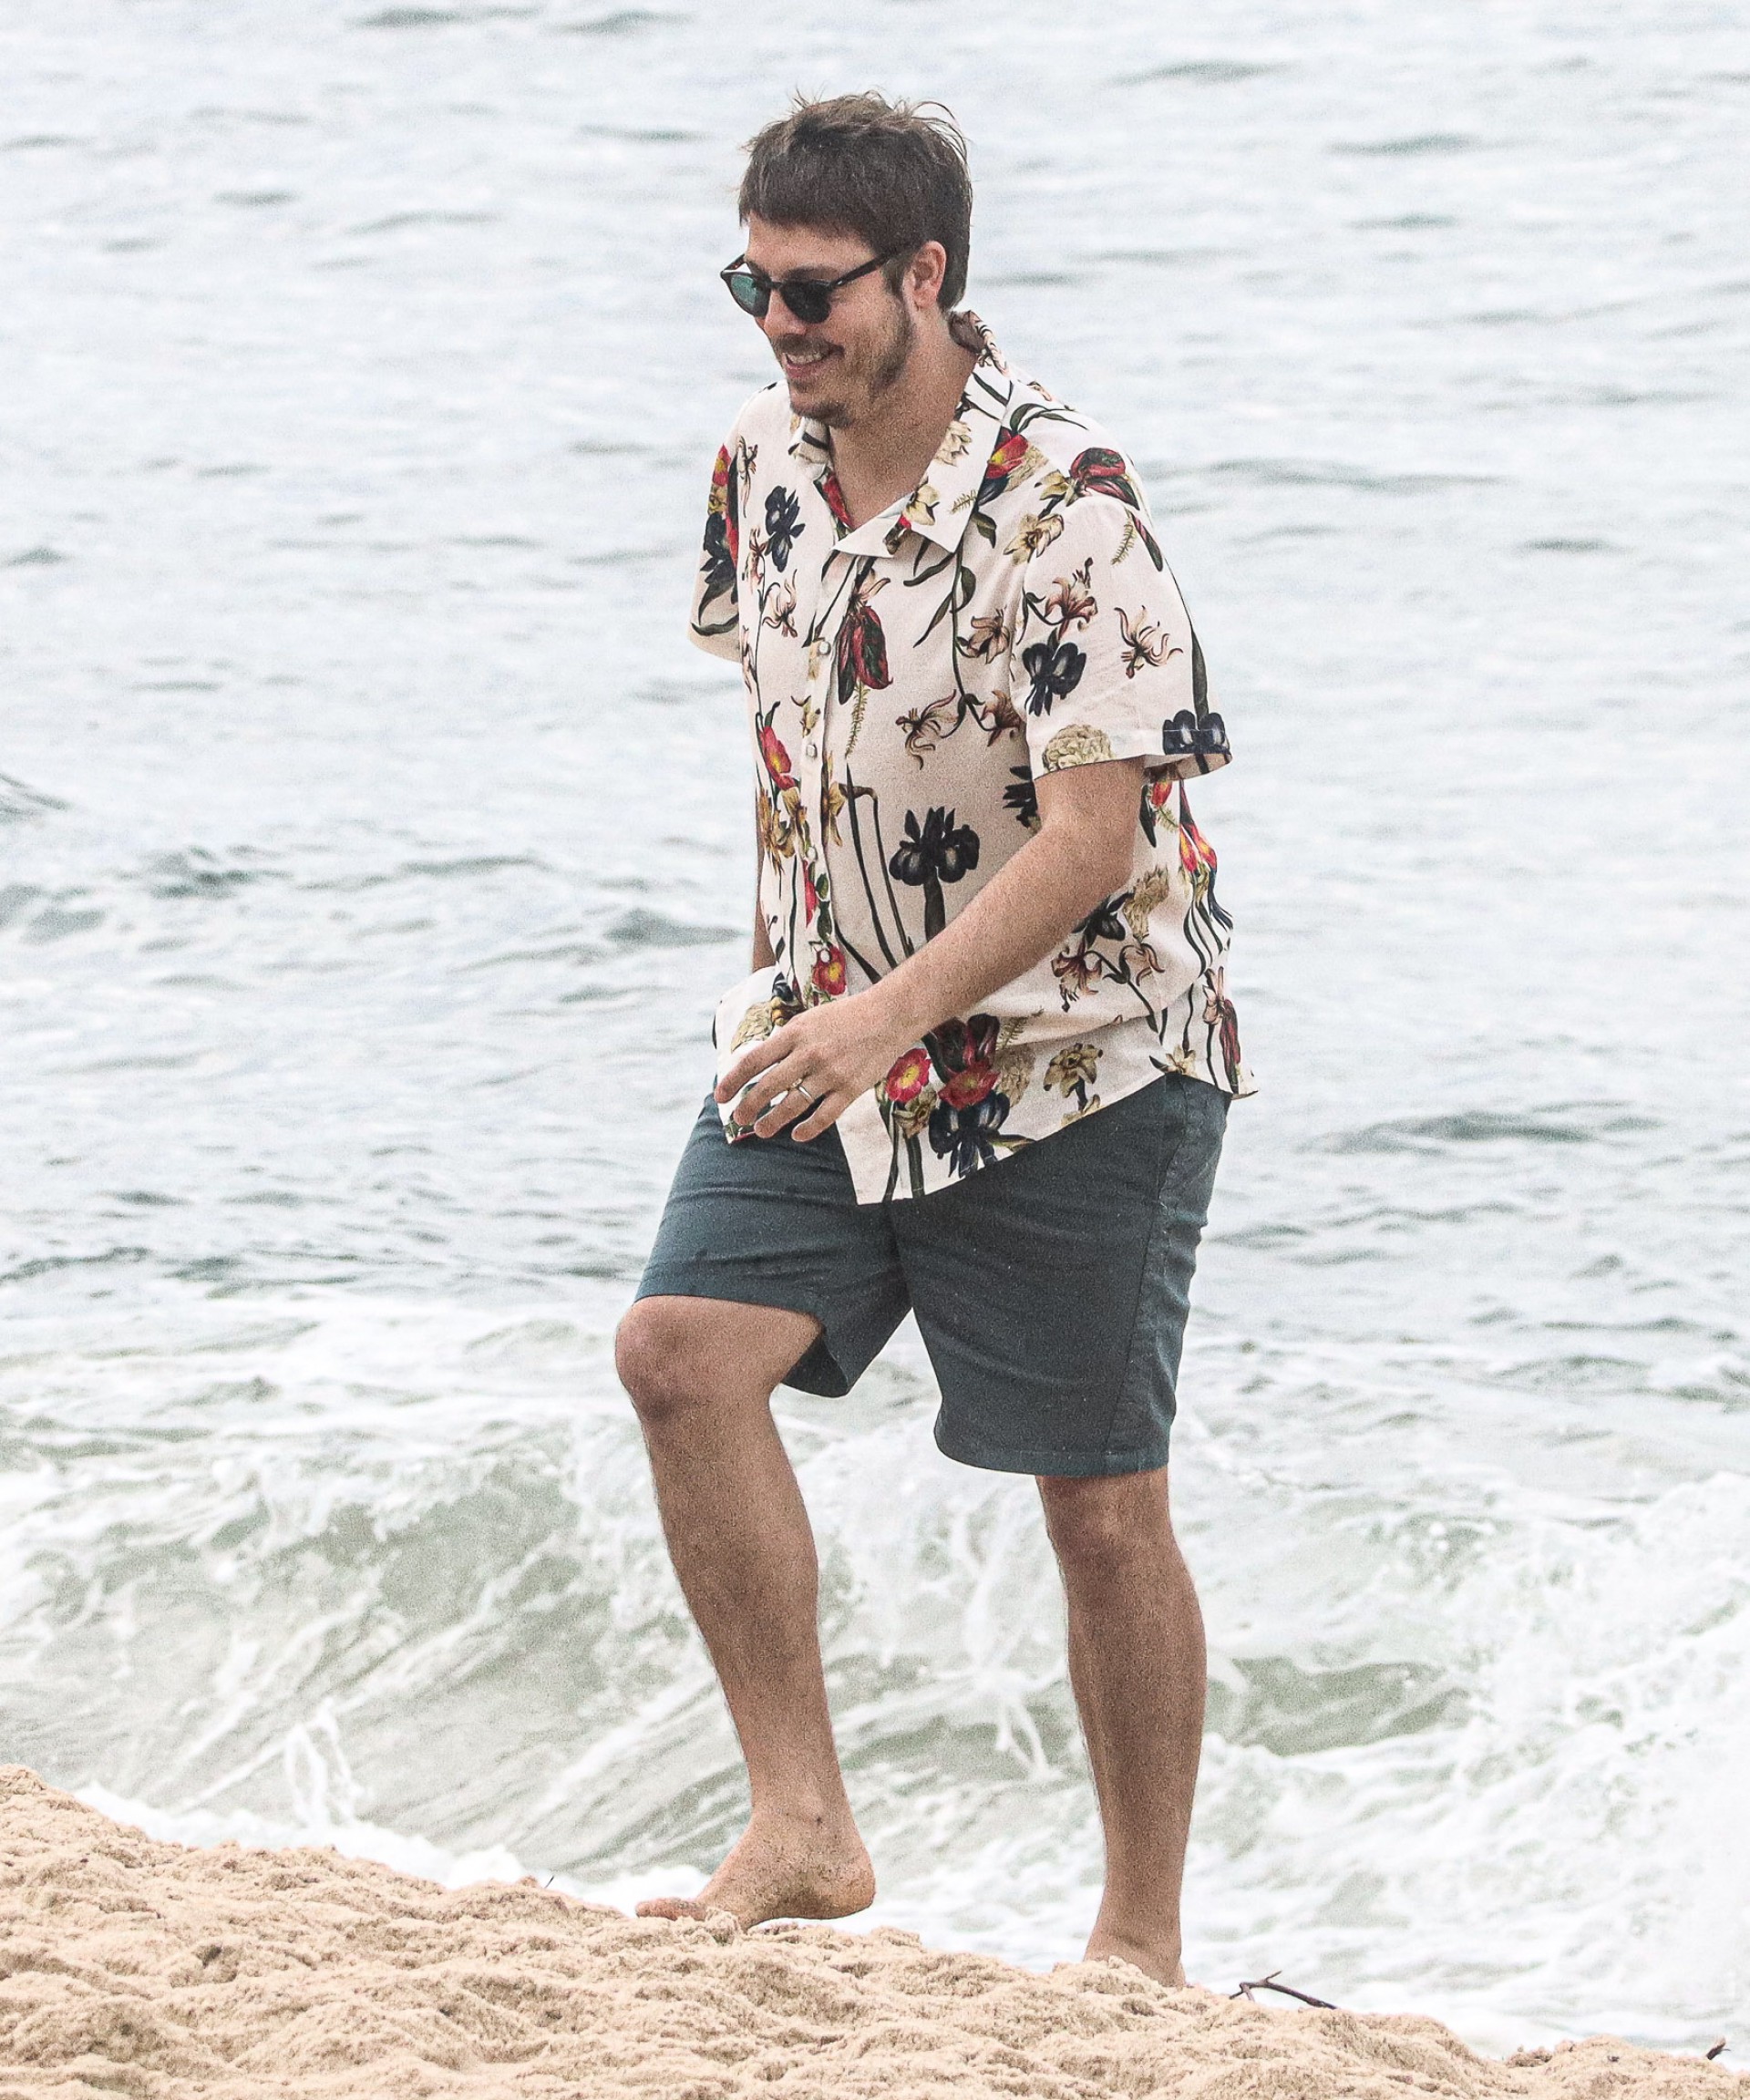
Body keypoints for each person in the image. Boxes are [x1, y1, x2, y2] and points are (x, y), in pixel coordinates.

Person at [613, 92, 1251, 1988]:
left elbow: (1096, 839)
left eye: (812, 291)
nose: (778, 324)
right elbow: (794, 740)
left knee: (1100, 1510)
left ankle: (1138, 1945)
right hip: (828, 1030)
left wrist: (884, 1020)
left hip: (1079, 1055)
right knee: (678, 1355)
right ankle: (804, 1825)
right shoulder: (759, 461)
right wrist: (792, 986)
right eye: (752, 285)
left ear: (925, 276)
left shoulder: (1069, 508)